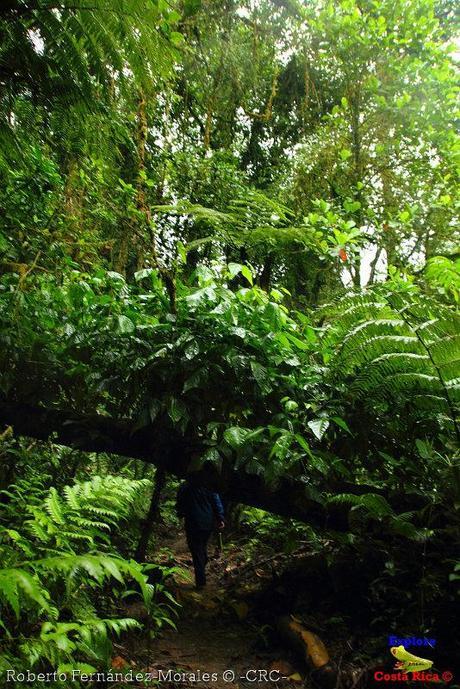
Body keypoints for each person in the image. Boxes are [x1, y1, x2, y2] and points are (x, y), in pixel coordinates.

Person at [176, 465, 225, 590]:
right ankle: (203, 564)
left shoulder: (185, 487)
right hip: (207, 523)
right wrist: (220, 518)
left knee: (196, 550)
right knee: (201, 547)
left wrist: (180, 514)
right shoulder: (208, 487)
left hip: (193, 523)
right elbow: (217, 502)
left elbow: (180, 503)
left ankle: (201, 582)